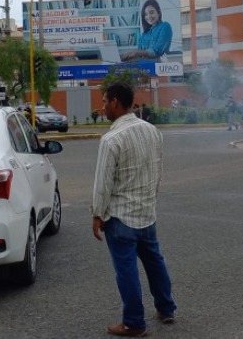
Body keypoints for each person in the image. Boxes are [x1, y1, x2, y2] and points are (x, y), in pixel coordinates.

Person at [92, 82, 176, 337]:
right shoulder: (152, 131)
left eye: (105, 101)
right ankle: (166, 308)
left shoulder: (111, 139)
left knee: (126, 270)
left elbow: (103, 183)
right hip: (146, 213)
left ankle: (134, 322)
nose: (103, 106)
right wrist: (150, 200)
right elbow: (157, 172)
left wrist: (97, 214)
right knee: (155, 262)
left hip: (120, 218)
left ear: (116, 102)